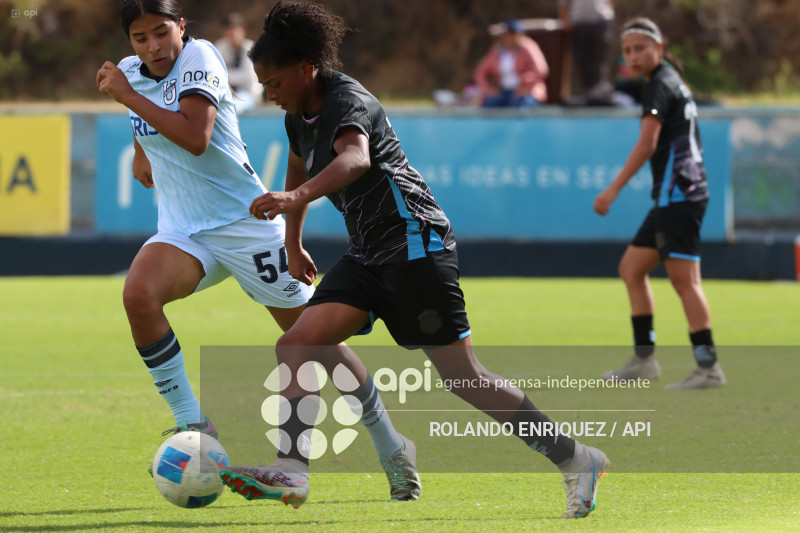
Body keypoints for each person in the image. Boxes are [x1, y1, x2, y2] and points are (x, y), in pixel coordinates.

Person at [219, 1, 609, 519]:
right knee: (296, 342)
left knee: (464, 378)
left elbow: (355, 159)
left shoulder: (346, 99)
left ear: (306, 69)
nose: (269, 94)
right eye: (263, 84)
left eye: (274, 83)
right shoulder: (298, 117)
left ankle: (577, 459)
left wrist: (293, 201)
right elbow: (296, 175)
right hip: (368, 253)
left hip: (416, 245)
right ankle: (292, 469)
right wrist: (292, 241)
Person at [96, 0, 419, 501]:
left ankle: (392, 446)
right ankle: (195, 427)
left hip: (246, 224)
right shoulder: (134, 75)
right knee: (138, 294)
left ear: (181, 26)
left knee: (318, 344)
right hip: (185, 230)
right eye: (140, 38)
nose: (154, 46)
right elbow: (149, 112)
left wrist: (123, 96)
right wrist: (140, 150)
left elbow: (196, 136)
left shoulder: (200, 56)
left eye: (162, 32)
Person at [593, 17, 726, 389]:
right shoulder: (669, 81)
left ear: (660, 48)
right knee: (632, 268)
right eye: (627, 51)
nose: (633, 56)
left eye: (640, 48)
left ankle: (708, 366)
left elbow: (647, 144)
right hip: (679, 194)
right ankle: (644, 358)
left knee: (686, 282)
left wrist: (612, 190)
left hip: (678, 195)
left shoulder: (659, 86)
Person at [473, 19, 549, 108]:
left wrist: (527, 88)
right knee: (489, 104)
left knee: (521, 105)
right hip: (502, 92)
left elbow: (541, 69)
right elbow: (480, 72)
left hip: (524, 92)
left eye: (515, 34)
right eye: (510, 34)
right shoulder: (497, 49)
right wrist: (487, 89)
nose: (512, 37)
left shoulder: (528, 47)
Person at [558, 0, 615, 105]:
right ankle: (587, 95)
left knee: (600, 60)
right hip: (578, 22)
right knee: (583, 61)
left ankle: (600, 94)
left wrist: (607, 9)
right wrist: (564, 19)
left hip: (601, 20)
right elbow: (563, 2)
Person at [214, 12, 263, 112]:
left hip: (248, 94)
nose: (231, 33)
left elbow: (248, 77)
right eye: (228, 29)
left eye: (234, 29)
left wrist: (225, 76)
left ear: (243, 31)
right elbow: (214, 74)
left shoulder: (251, 48)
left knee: (232, 107)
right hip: (225, 93)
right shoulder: (220, 47)